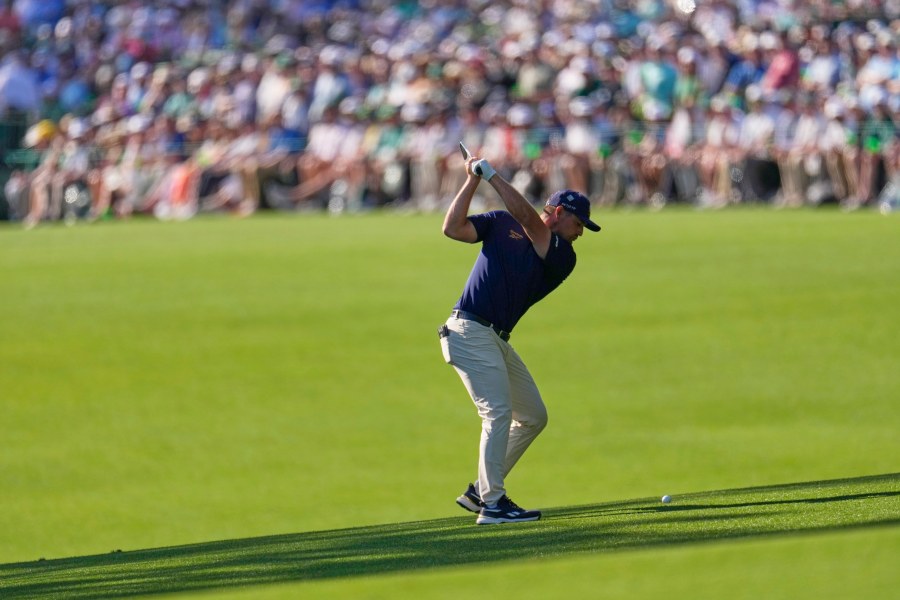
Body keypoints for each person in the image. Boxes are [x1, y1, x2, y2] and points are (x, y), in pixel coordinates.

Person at [439, 151, 600, 524]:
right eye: (579, 223)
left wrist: (491, 174)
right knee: (496, 413)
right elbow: (453, 228)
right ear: (558, 213)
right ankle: (492, 504)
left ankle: (480, 490)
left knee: (532, 415)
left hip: (494, 338)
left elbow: (529, 220)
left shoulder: (563, 256)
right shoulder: (499, 222)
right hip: (468, 329)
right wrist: (473, 180)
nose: (581, 233)